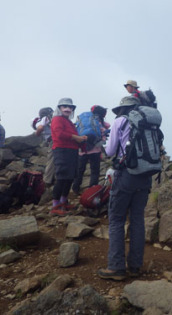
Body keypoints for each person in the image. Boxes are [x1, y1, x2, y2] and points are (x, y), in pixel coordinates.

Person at [97, 96, 152, 281]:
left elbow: (111, 151)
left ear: (122, 109)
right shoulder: (148, 122)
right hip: (145, 176)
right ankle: (135, 266)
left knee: (117, 220)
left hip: (126, 174)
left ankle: (116, 267)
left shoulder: (120, 121)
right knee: (137, 220)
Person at [50, 98, 87, 216]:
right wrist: (76, 138)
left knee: (70, 177)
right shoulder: (57, 119)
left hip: (72, 151)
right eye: (64, 106)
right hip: (61, 150)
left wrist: (81, 140)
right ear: (59, 108)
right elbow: (59, 134)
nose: (68, 109)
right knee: (62, 177)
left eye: (70, 107)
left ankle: (63, 201)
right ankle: (55, 205)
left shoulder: (69, 122)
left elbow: (71, 136)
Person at [72, 105, 110, 195]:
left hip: (82, 150)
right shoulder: (98, 122)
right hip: (95, 151)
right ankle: (92, 190)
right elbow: (107, 127)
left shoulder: (84, 119)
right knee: (95, 171)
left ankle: (75, 188)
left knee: (80, 170)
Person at [35, 107, 55, 185]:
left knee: (52, 160)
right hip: (55, 140)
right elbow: (40, 127)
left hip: (52, 140)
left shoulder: (41, 120)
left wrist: (37, 134)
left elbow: (39, 129)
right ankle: (47, 181)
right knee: (52, 160)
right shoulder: (46, 119)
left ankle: (48, 180)